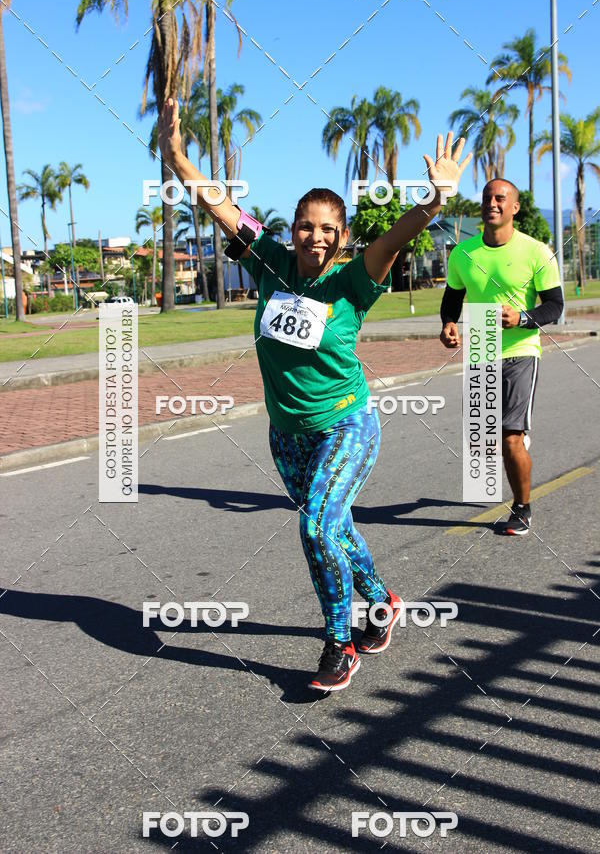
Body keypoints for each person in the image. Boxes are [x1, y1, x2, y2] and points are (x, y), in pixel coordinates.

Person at [159, 98, 471, 691]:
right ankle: (382, 602)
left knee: (316, 530)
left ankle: (338, 642)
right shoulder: (272, 262)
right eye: (307, 225)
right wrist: (176, 157)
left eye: (330, 228)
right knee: (335, 526)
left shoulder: (355, 279)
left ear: (343, 235)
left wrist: (433, 202)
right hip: (288, 435)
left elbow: (398, 234)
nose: (316, 237)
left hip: (346, 423)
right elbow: (222, 208)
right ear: (293, 229)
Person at [440, 178, 564, 535]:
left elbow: (555, 306)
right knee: (487, 439)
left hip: (521, 348)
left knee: (509, 437)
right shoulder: (463, 253)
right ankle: (517, 437)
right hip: (480, 340)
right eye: (487, 198)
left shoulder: (536, 251)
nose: (492, 203)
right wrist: (449, 322)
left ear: (515, 207)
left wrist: (523, 318)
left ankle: (522, 509)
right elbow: (453, 297)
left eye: (500, 198)